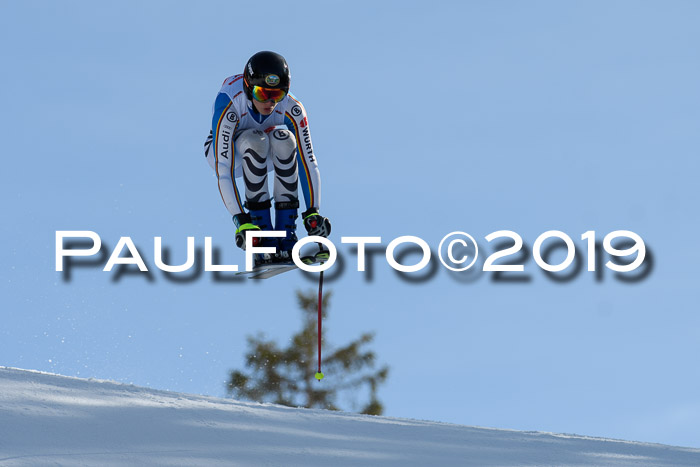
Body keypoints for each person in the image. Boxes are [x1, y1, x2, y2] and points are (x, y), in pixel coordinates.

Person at [204, 51, 331, 265]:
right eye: (262, 94)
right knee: (256, 140)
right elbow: (223, 169)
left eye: (278, 94)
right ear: (248, 87)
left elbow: (308, 160)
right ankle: (262, 237)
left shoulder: (292, 108)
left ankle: (286, 237)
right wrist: (240, 219)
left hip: (264, 149)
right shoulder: (230, 103)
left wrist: (313, 211)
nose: (270, 102)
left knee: (285, 138)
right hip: (227, 153)